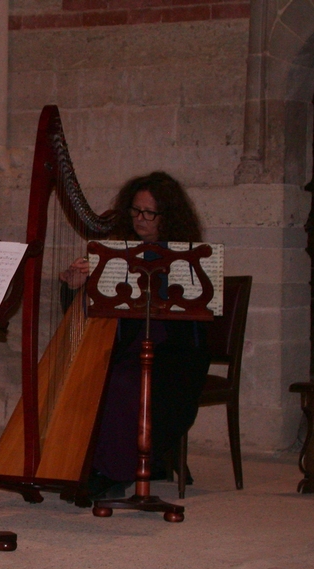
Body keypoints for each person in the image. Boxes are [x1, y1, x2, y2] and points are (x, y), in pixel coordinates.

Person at [59, 171, 211, 499]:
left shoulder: (187, 258)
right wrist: (75, 288)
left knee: (121, 381)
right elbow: (91, 314)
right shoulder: (116, 254)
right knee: (91, 374)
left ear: (168, 216)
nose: (140, 219)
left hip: (174, 357)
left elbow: (195, 329)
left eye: (149, 213)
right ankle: (82, 463)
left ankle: (112, 472)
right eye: (135, 210)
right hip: (129, 348)